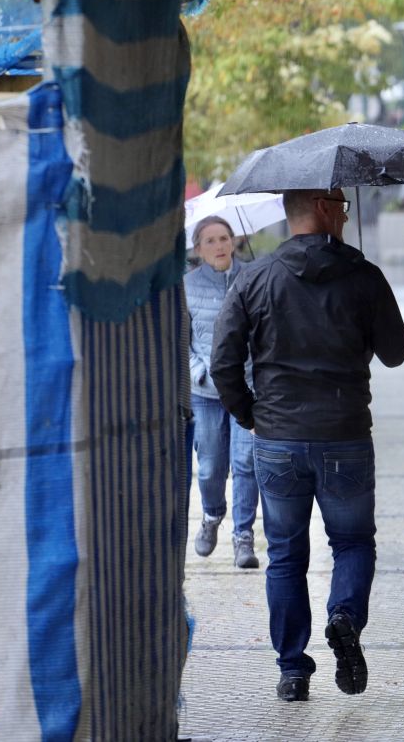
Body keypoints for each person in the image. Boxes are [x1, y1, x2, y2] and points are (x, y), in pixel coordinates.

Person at [212, 189, 404, 704]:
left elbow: (223, 364)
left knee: (284, 556)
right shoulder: (361, 275)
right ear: (322, 207)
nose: (346, 211)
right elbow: (397, 352)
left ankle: (292, 671)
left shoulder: (255, 278)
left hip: (276, 440)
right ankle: (344, 615)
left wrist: (252, 416)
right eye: (341, 203)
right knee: (351, 543)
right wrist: (365, 301)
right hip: (344, 434)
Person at [184, 216, 259, 569]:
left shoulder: (254, 277)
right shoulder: (185, 286)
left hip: (246, 390)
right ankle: (212, 516)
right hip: (207, 394)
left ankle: (243, 536)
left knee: (246, 464)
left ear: (234, 241)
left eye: (224, 238)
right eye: (210, 240)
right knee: (211, 467)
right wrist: (199, 374)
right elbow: (180, 343)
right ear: (198, 249)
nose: (219, 246)